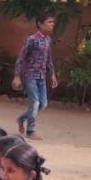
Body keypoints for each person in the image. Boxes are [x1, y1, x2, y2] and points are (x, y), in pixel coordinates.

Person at [12, 13, 58, 141]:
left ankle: (21, 119)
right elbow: (21, 57)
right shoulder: (31, 40)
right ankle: (30, 131)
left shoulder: (48, 40)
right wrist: (17, 76)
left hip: (41, 77)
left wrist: (52, 74)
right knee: (35, 103)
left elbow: (48, 59)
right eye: (49, 22)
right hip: (30, 76)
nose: (52, 24)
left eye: (53, 22)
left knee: (43, 104)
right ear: (40, 24)